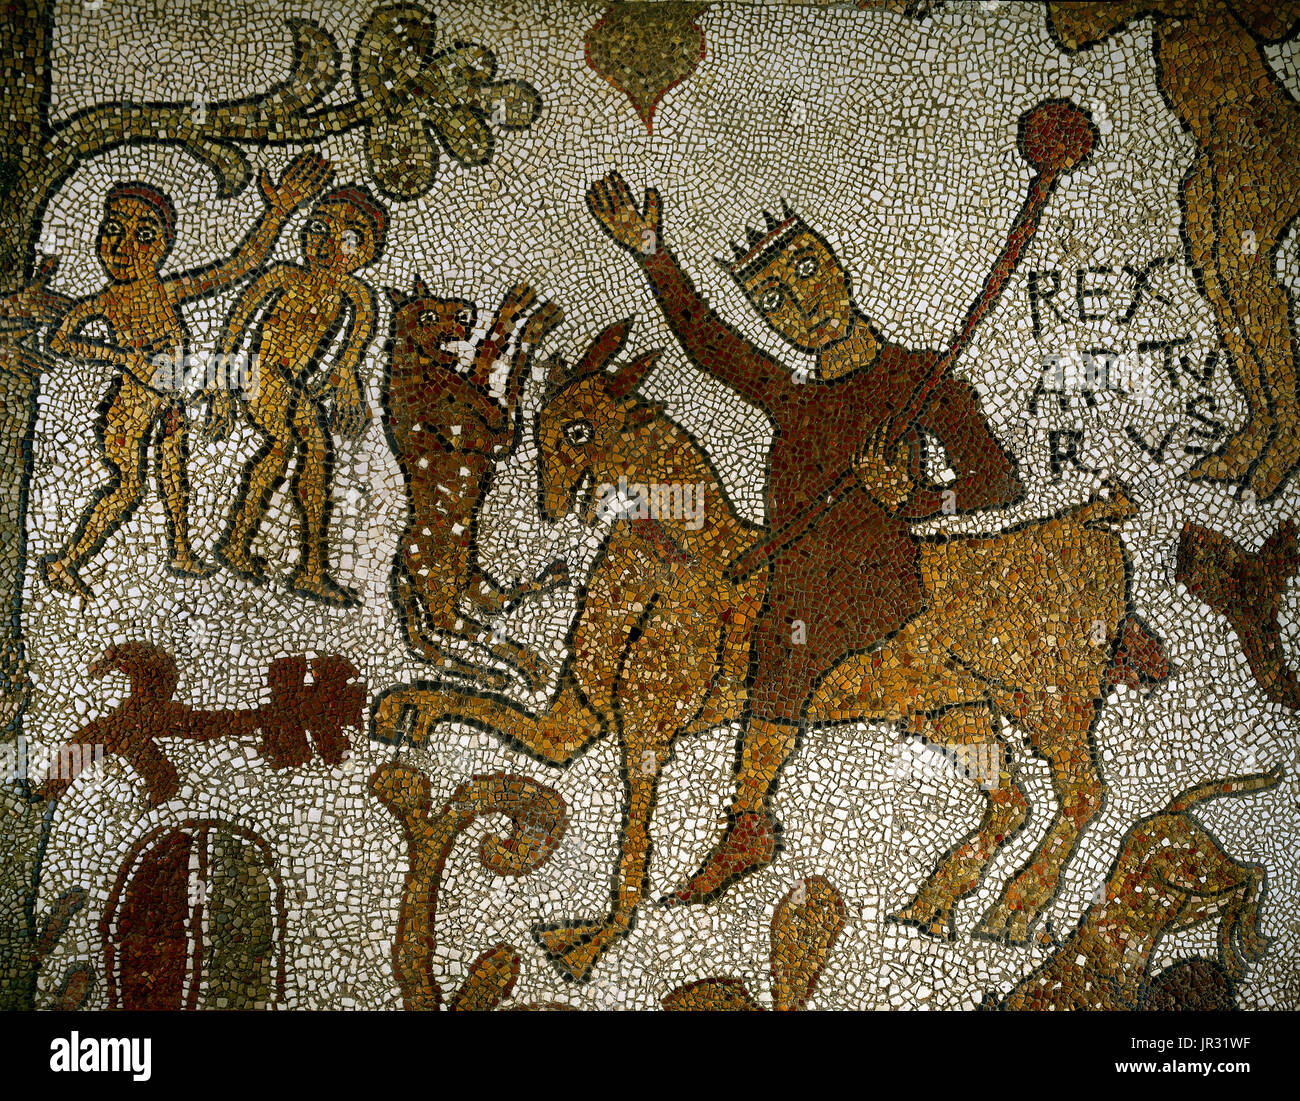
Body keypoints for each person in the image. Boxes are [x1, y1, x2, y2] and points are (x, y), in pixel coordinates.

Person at [587, 172, 1023, 902]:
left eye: (807, 269)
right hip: (789, 571)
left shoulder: (918, 379)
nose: (802, 303)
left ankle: (748, 820)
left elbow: (999, 481)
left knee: (787, 638)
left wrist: (915, 500)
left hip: (866, 584)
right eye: (774, 300)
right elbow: (707, 344)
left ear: (837, 265)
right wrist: (653, 252)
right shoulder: (793, 397)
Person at [42, 153, 332, 599]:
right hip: (131, 406)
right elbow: (61, 341)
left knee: (174, 473)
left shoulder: (167, 290)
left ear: (164, 245)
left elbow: (241, 265)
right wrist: (123, 358)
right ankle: (65, 562)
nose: (124, 247)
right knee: (129, 487)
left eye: (144, 235)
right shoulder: (106, 301)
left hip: (169, 394)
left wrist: (277, 212)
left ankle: (180, 551)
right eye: (113, 230)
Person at [206, 184, 388, 607]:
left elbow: (349, 356)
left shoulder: (357, 295)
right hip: (260, 375)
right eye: (319, 228)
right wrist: (219, 388)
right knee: (309, 447)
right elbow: (234, 328)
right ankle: (307, 569)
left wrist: (346, 387)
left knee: (287, 452)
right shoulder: (283, 276)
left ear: (366, 251)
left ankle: (242, 545)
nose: (328, 244)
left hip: (293, 386)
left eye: (348, 237)